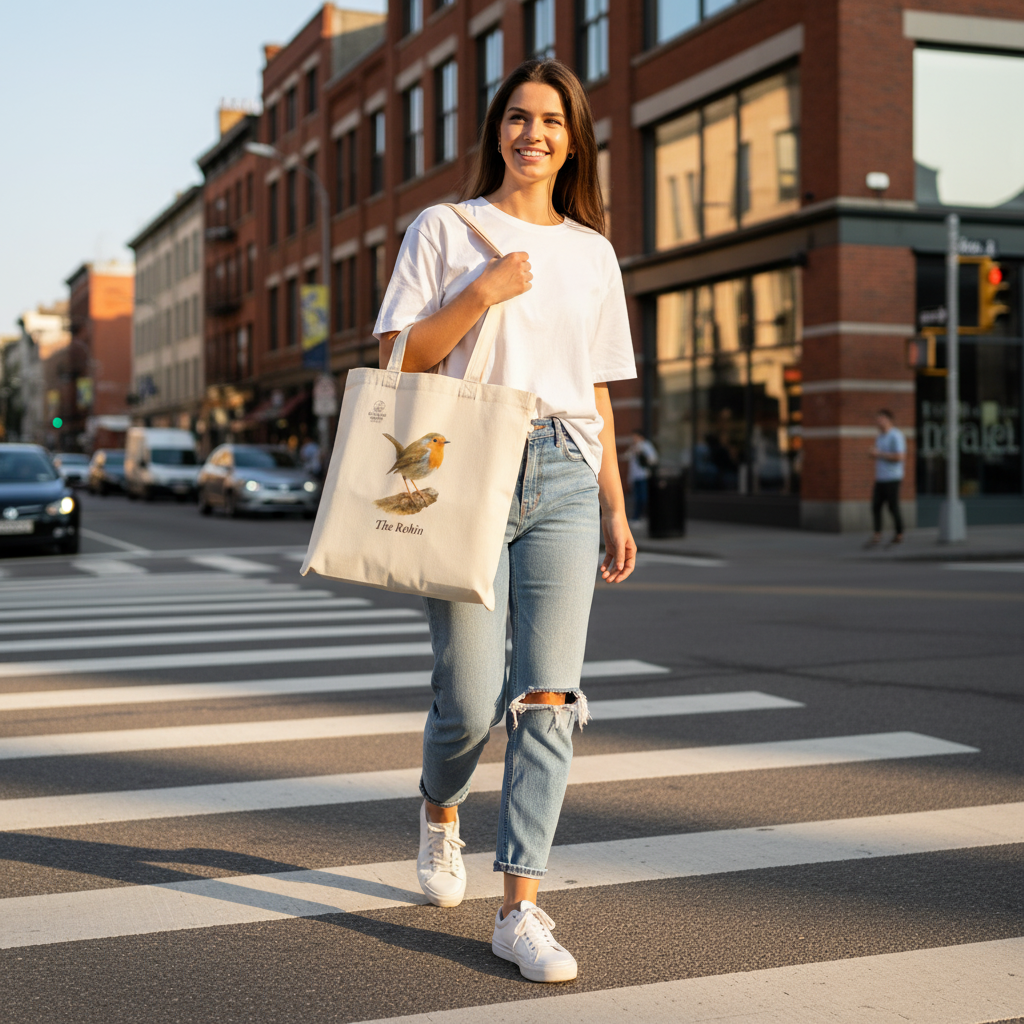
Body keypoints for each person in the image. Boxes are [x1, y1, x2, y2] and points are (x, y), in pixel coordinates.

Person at [375, 58, 637, 984]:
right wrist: (481, 292)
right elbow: (399, 359)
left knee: (550, 697)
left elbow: (597, 391)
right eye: (519, 118)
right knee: (472, 700)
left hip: (564, 467)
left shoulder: (594, 252)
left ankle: (520, 907)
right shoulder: (445, 229)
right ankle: (439, 807)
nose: (534, 134)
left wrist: (613, 499)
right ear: (496, 130)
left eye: (553, 122)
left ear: (574, 141)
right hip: (462, 467)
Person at [865, 408, 906, 548]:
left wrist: (880, 454)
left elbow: (900, 456)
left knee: (893, 506)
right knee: (876, 506)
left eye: (881, 419)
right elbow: (877, 453)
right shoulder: (880, 437)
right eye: (877, 420)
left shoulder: (896, 436)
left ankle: (899, 533)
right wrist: (873, 453)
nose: (878, 422)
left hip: (893, 477)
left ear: (889, 420)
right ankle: (877, 534)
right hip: (880, 477)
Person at [626, 430, 658, 522]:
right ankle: (637, 517)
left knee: (643, 497)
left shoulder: (646, 445)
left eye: (635, 437)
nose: (634, 439)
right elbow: (627, 457)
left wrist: (641, 453)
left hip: (643, 476)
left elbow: (653, 459)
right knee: (637, 497)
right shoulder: (634, 446)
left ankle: (644, 516)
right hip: (635, 476)